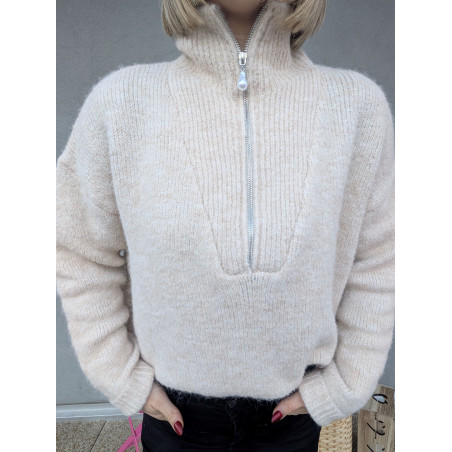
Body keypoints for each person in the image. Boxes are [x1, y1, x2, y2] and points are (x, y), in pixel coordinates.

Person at [56, 0, 395, 450]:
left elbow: (378, 258)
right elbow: (80, 251)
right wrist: (118, 374)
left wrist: (345, 383)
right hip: (176, 415)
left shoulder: (356, 107)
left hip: (293, 415)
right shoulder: (121, 104)